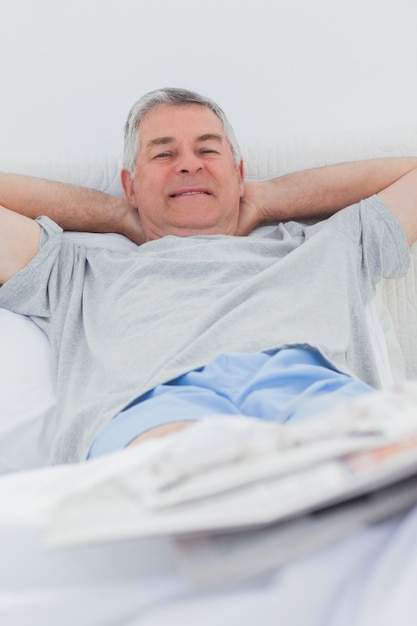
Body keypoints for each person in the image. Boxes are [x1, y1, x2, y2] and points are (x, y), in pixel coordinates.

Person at [0, 87, 416, 465]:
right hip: (157, 409)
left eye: (208, 151)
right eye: (163, 154)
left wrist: (267, 197)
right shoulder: (80, 273)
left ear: (239, 172)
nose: (188, 166)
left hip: (314, 396)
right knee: (187, 477)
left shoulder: (326, 246)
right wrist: (116, 215)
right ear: (130, 185)